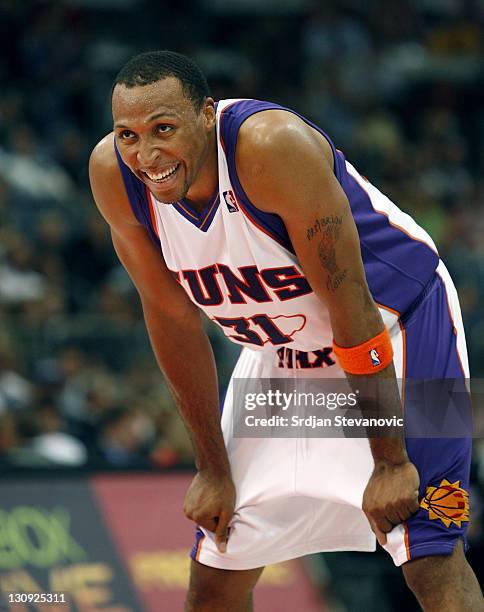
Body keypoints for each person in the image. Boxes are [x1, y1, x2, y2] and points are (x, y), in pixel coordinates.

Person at [89, 51, 482, 611]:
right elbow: (172, 319)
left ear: (206, 114)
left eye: (164, 129)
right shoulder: (115, 176)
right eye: (127, 134)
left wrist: (390, 461)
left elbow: (351, 306)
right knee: (219, 568)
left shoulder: (270, 147)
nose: (146, 155)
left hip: (399, 328)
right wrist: (211, 468)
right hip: (281, 349)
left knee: (430, 550)